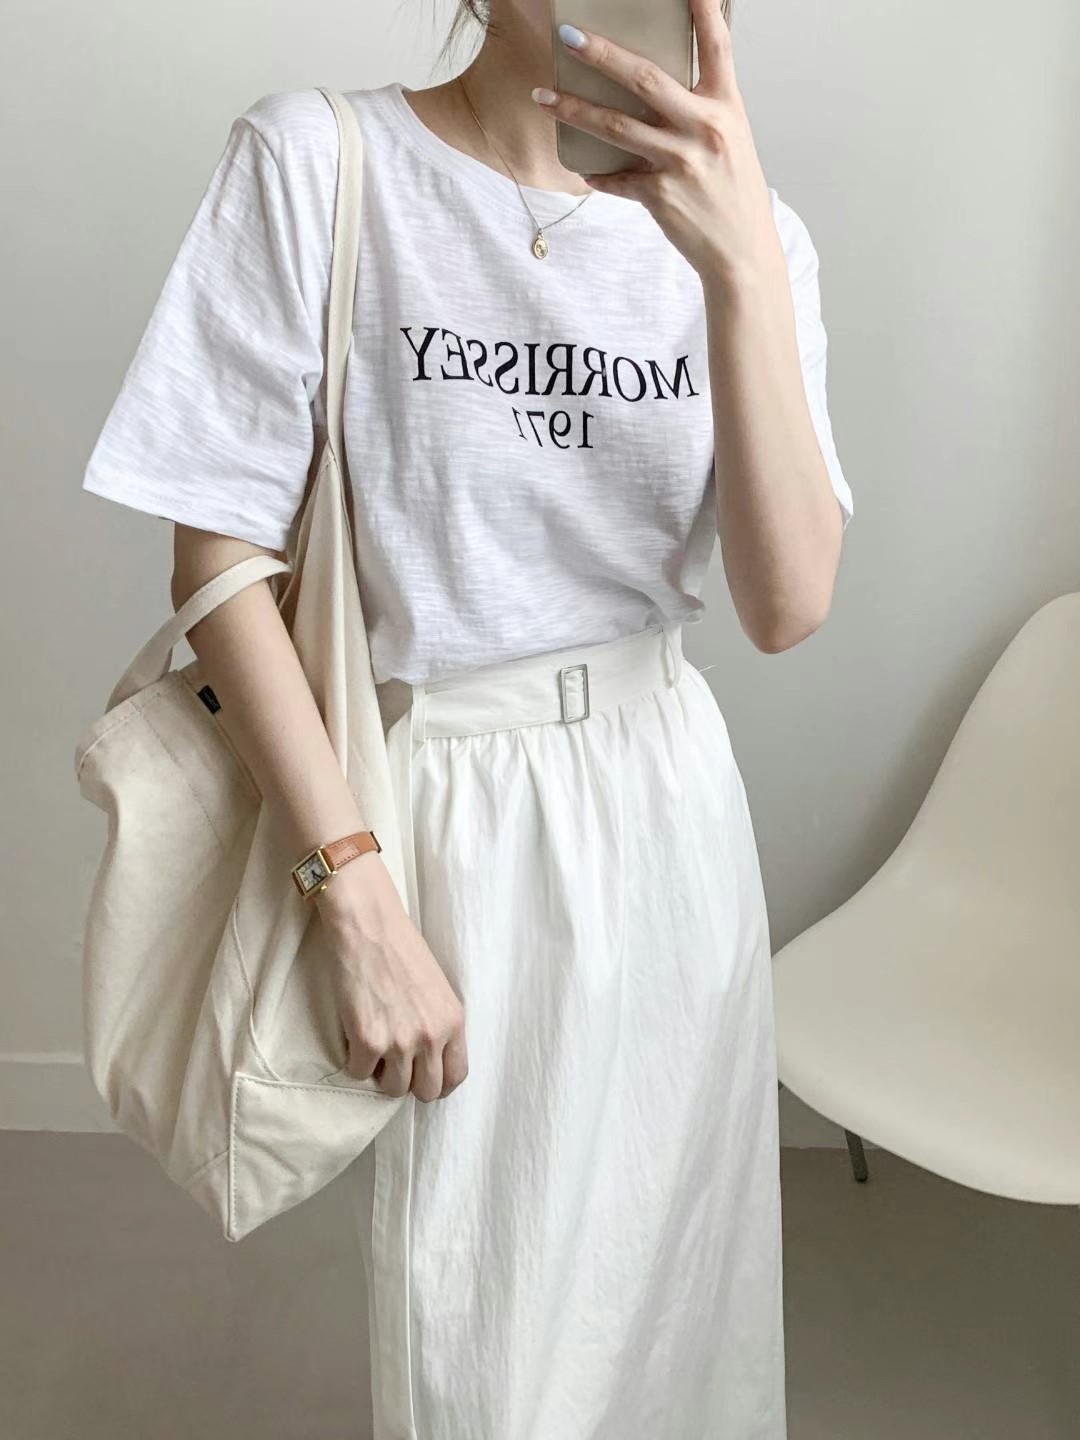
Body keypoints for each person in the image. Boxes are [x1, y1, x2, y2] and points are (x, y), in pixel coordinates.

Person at [80, 0, 853, 1435]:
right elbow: (220, 563)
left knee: (684, 1304)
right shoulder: (320, 162)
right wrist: (352, 890)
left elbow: (788, 600)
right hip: (439, 804)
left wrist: (740, 266)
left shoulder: (757, 237)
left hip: (668, 798)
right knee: (483, 1350)